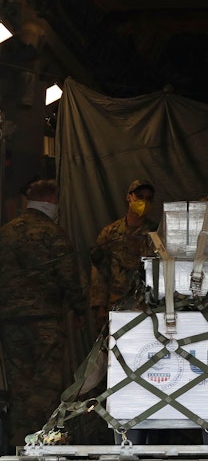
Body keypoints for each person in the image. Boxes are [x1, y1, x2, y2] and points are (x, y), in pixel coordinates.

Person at [0, 179, 88, 451]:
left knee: (19, 385)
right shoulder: (53, 232)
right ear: (51, 201)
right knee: (48, 384)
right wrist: (79, 309)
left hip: (10, 322)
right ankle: (45, 442)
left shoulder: (5, 233)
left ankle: (18, 444)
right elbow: (68, 276)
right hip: (45, 322)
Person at [89, 180, 158, 327]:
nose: (144, 202)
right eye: (139, 196)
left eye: (148, 198)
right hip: (116, 306)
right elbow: (99, 272)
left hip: (146, 309)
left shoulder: (157, 233)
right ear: (129, 197)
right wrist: (99, 306)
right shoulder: (110, 232)